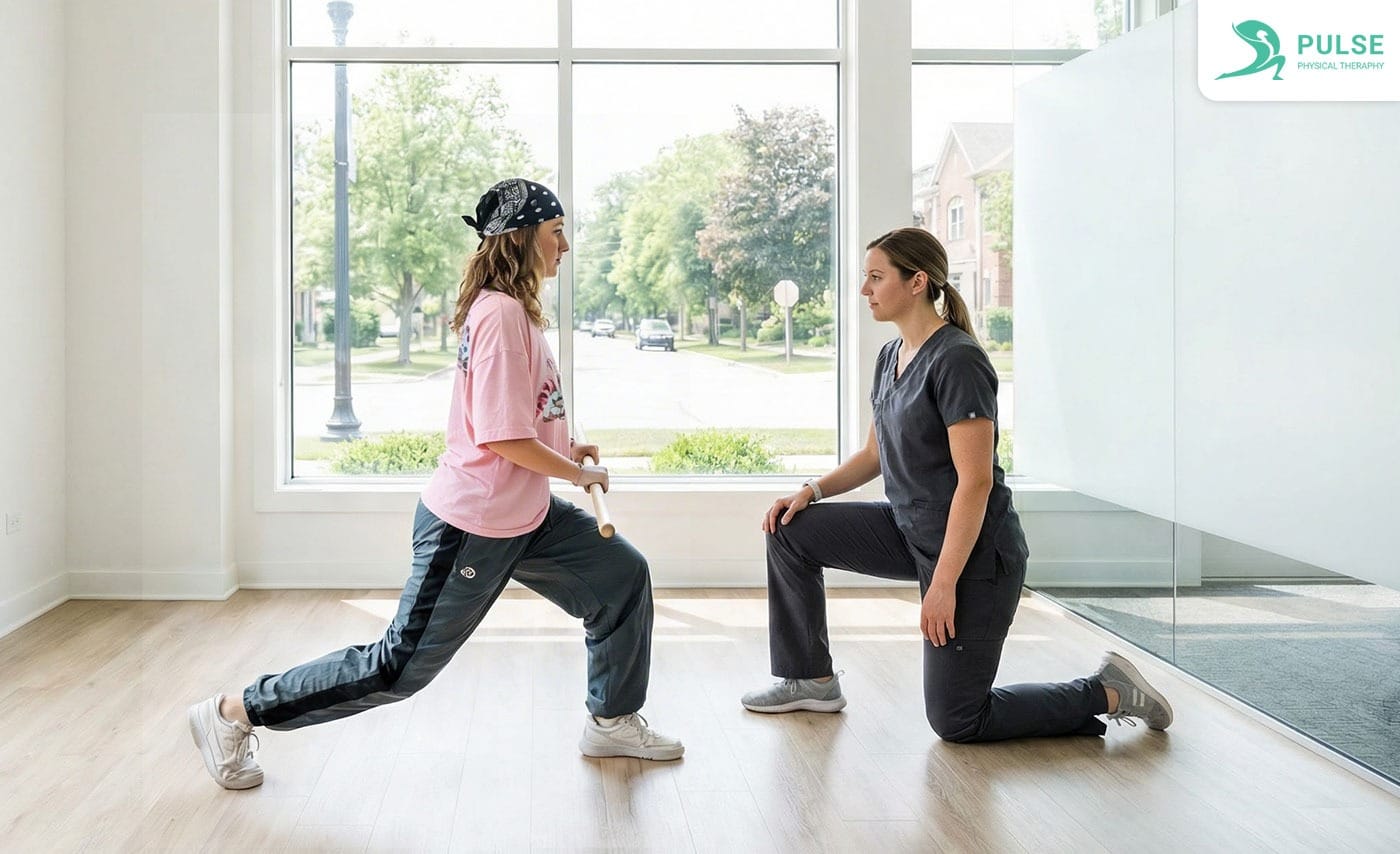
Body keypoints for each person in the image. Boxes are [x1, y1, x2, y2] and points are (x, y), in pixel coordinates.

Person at [189, 178, 683, 790]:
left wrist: (564, 447)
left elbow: (517, 416)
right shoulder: (501, 315)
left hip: (523, 514)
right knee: (398, 668)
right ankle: (234, 712)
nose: (565, 245)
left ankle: (612, 719)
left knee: (621, 576)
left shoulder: (513, 309)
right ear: (522, 238)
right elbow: (501, 437)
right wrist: (578, 473)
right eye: (556, 232)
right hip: (473, 525)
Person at [740, 227, 1172, 742]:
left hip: (975, 556)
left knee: (958, 720)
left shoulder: (958, 360)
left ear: (917, 281)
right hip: (910, 531)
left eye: (876, 277)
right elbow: (874, 454)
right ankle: (810, 679)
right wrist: (811, 491)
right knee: (790, 529)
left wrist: (943, 585)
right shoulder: (891, 356)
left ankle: (1108, 691)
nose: (865, 289)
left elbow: (976, 483)